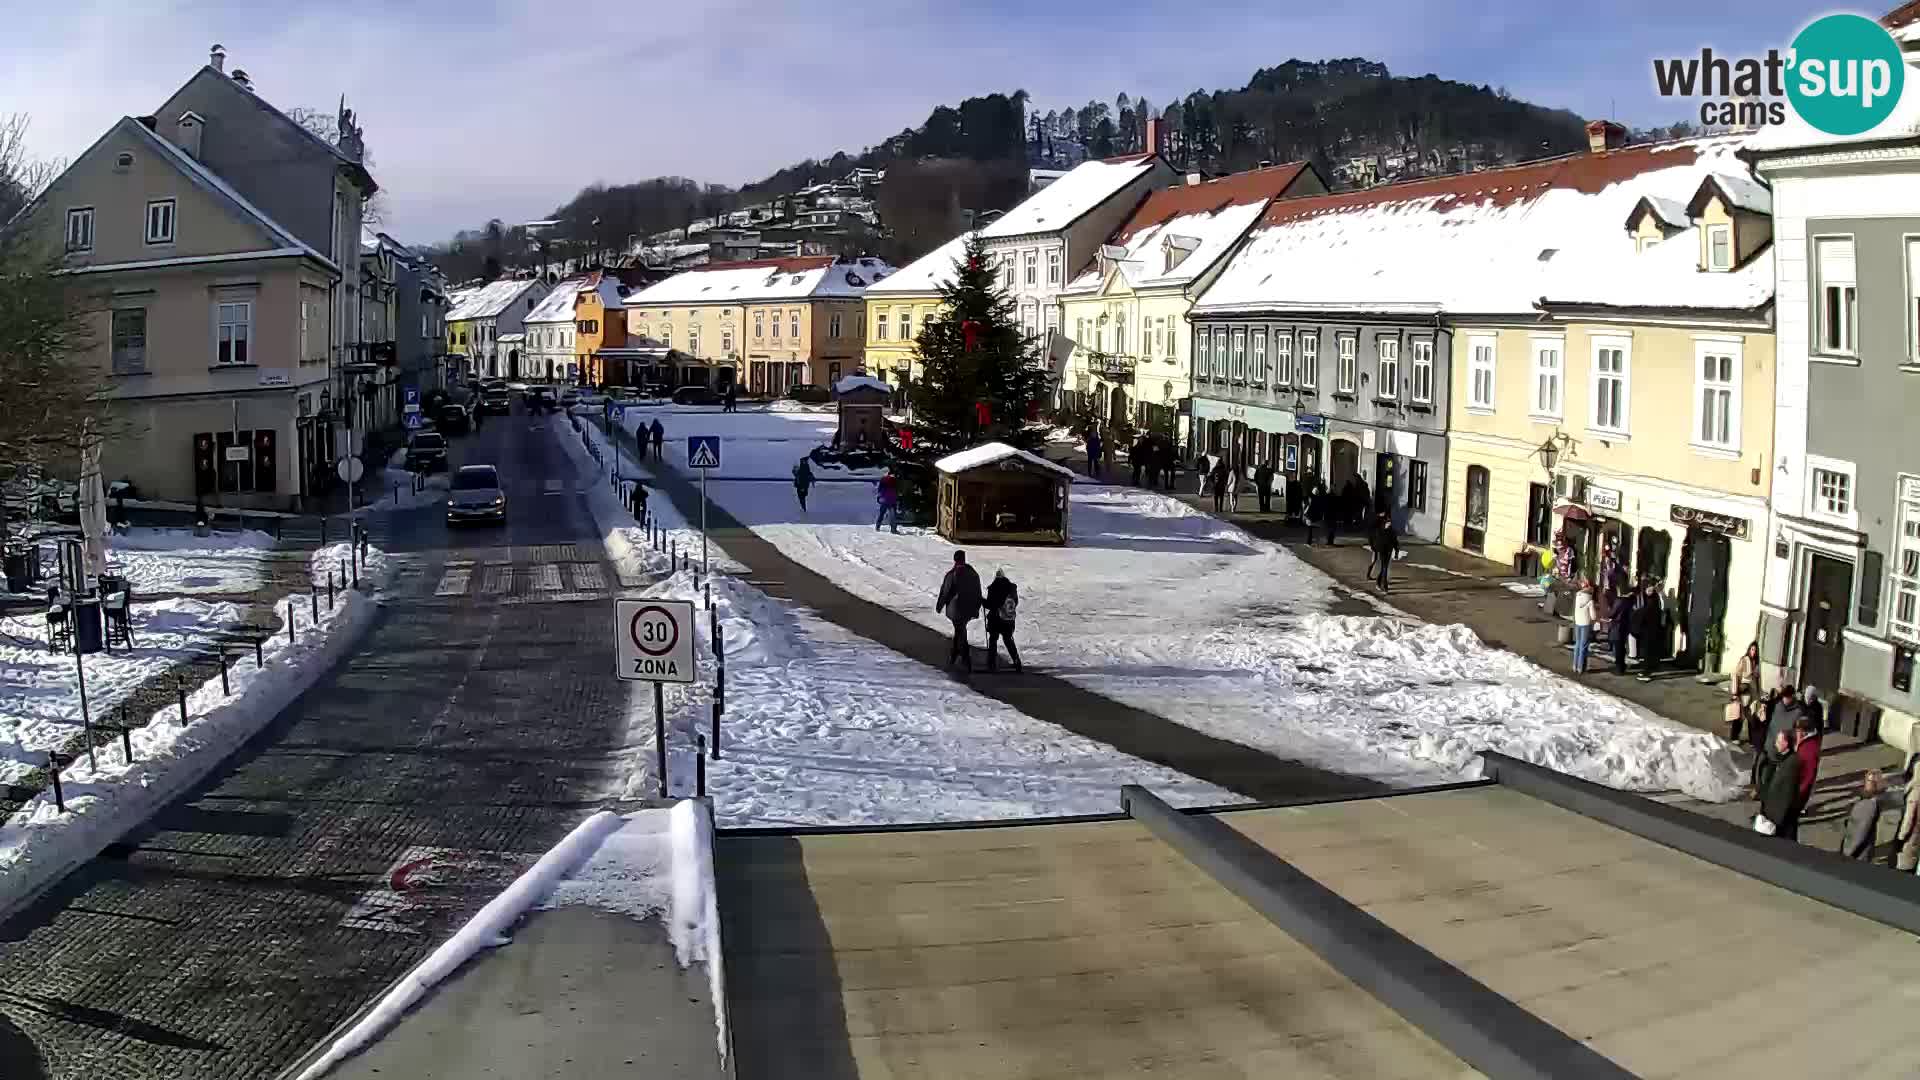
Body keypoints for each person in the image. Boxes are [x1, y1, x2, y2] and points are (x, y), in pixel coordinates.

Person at [935, 550, 984, 673]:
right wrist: (977, 607)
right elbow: (978, 591)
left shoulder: (952, 574)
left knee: (960, 630)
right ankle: (956, 654)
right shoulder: (973, 573)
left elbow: (945, 591)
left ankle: (964, 658)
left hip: (956, 608)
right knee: (960, 630)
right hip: (969, 608)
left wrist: (939, 605)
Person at [1758, 728, 1805, 839]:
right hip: (1776, 818)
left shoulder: (1791, 764)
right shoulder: (1781, 759)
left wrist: (1775, 820)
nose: (1776, 744)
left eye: (1779, 741)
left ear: (1786, 743)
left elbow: (1787, 795)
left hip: (1782, 822)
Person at [1840, 770, 1890, 860]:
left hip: (1858, 854)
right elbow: (1860, 832)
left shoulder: (1868, 804)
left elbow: (1860, 832)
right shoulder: (1869, 804)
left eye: (1867, 781)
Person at [983, 569, 1023, 673]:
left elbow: (991, 604)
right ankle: (1016, 660)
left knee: (993, 640)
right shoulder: (1012, 588)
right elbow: (1015, 602)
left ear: (996, 577)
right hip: (1009, 619)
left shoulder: (993, 588)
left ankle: (992, 665)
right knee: (1008, 640)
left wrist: (982, 602)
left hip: (996, 620)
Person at [1730, 641, 1763, 742]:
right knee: (1740, 715)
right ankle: (1734, 737)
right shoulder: (1744, 660)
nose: (1754, 652)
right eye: (1752, 649)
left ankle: (1752, 739)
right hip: (1743, 691)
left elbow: (1758, 680)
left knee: (1752, 716)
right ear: (1749, 650)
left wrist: (1759, 694)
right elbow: (1735, 674)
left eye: (1755, 650)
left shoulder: (1757, 663)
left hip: (1753, 693)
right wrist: (1735, 691)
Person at [1894, 757, 1920, 872]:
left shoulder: (1916, 792)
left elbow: (1909, 819)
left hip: (1910, 839)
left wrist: (1901, 838)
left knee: (1904, 865)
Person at [1369, 512, 1399, 592]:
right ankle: (1385, 586)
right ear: (1384, 523)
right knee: (1384, 568)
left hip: (1389, 551)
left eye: (1390, 523)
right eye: (1387, 523)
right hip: (1382, 551)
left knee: (1384, 568)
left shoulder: (1392, 532)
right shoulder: (1380, 531)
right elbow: (1376, 540)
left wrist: (1396, 552)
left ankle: (1379, 583)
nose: (1389, 524)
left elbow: (1395, 542)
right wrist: (1374, 548)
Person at [1572, 577, 1596, 675]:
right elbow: (1593, 616)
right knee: (1583, 646)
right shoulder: (1590, 600)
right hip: (1586, 624)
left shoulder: (1578, 596)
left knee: (1577, 644)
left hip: (1578, 622)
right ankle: (1581, 667)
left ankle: (1575, 665)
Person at [1609, 583, 1633, 676]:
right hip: (1625, 626)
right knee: (1622, 647)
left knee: (1618, 648)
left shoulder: (1619, 601)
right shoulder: (1630, 601)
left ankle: (1619, 668)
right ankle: (1622, 666)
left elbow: (1612, 614)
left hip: (1617, 626)